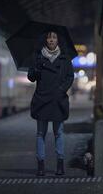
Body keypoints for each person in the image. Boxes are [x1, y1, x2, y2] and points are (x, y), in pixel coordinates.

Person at [27, 31, 74, 176]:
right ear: (45, 40)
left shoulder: (65, 58)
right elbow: (31, 77)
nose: (51, 40)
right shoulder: (37, 57)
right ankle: (40, 165)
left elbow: (70, 77)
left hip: (58, 100)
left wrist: (61, 90)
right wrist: (36, 69)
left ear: (58, 40)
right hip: (42, 99)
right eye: (49, 37)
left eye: (54, 37)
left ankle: (60, 165)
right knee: (40, 133)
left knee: (58, 133)